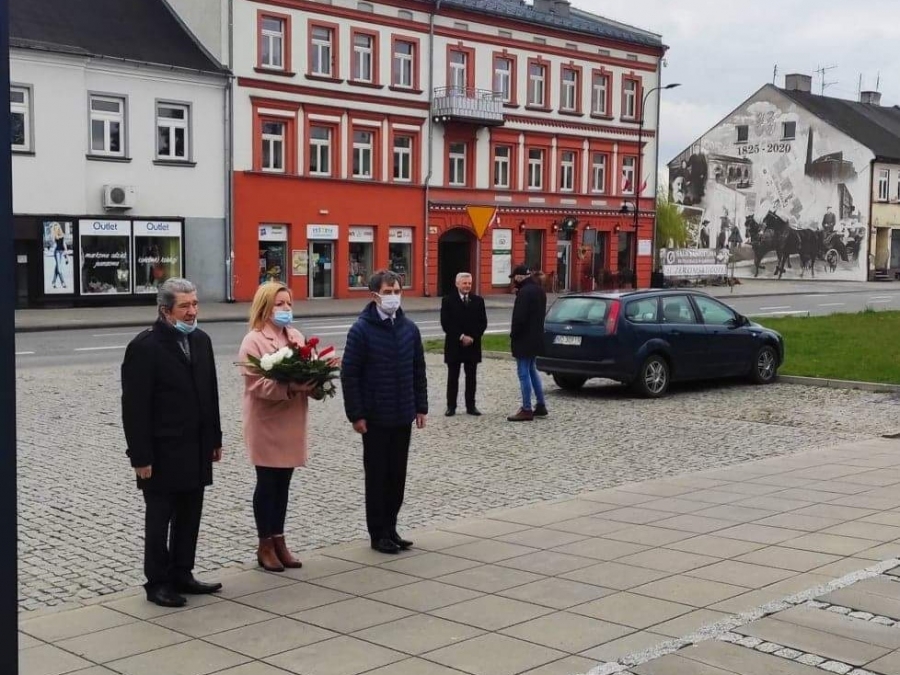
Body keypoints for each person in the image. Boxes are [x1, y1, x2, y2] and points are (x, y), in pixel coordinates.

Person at [121, 278, 223, 608]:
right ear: (165, 311)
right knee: (159, 519)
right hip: (162, 451)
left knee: (190, 514)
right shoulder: (145, 347)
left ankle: (182, 573)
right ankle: (157, 582)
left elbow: (210, 393)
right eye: (185, 306)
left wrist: (215, 438)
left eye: (195, 304)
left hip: (196, 446)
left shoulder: (201, 341)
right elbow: (134, 407)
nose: (192, 311)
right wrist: (140, 457)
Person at [341, 270, 428, 554]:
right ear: (375, 296)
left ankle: (391, 527)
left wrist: (421, 407)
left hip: (402, 414)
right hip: (375, 418)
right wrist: (356, 414)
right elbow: (350, 375)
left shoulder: (409, 329)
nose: (393, 296)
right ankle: (377, 533)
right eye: (388, 292)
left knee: (397, 477)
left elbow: (418, 370)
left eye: (397, 291)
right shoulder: (361, 330)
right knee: (377, 477)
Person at [239, 282, 313, 573]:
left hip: (291, 420)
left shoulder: (295, 336)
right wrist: (290, 386)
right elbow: (255, 384)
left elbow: (308, 367)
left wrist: (314, 383)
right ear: (266, 307)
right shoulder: (254, 340)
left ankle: (280, 539)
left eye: (289, 304)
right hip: (267, 422)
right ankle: (265, 544)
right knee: (268, 483)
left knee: (284, 483)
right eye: (280, 304)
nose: (286, 309)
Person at [441, 272, 488, 416]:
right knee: (453, 377)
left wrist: (472, 337)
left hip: (472, 345)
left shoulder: (478, 301)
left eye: (469, 283)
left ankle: (471, 406)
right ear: (457, 284)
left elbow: (483, 322)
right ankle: (451, 406)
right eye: (464, 283)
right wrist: (461, 337)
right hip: (454, 344)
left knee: (471, 377)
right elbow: (446, 323)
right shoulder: (448, 300)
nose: (467, 286)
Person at [507, 265, 548, 422]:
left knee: (523, 372)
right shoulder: (539, 290)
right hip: (536, 337)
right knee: (532, 370)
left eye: (514, 278)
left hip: (524, 339)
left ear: (519, 277)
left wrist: (513, 335)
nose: (513, 281)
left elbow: (519, 318)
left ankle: (526, 408)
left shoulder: (524, 293)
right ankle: (541, 404)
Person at [50, 222, 68, 289]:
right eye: (56, 227)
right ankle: (63, 283)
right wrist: (53, 229)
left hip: (61, 252)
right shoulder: (55, 235)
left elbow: (64, 245)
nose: (57, 228)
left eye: (58, 227)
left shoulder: (62, 234)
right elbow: (54, 241)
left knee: (57, 268)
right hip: (57, 252)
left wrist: (66, 256)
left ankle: (53, 282)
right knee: (59, 269)